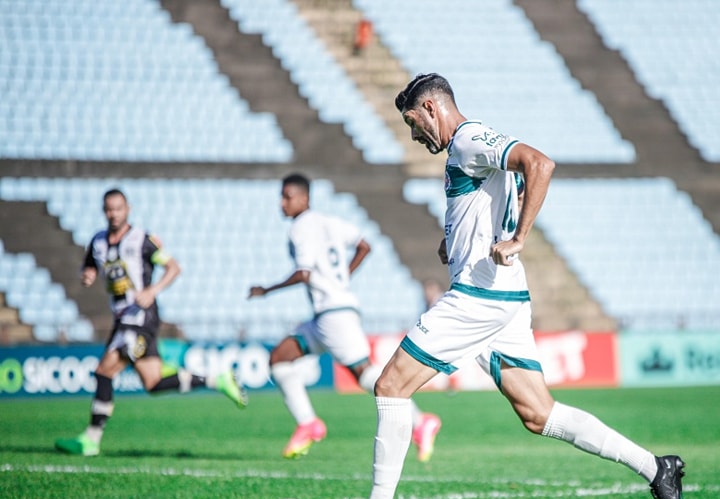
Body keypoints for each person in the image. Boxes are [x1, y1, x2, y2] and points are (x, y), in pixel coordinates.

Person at [321, 73, 686, 499]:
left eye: (413, 123)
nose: (414, 135)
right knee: (539, 414)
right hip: (504, 300)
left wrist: (520, 238)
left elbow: (539, 163)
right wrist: (452, 241)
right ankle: (657, 468)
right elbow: (490, 195)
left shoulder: (468, 138)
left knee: (390, 385)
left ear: (431, 108)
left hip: (479, 298)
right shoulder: (469, 148)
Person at [248, 173, 441, 460]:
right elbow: (365, 245)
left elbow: (304, 273)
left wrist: (267, 289)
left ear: (304, 198)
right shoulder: (332, 223)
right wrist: (342, 279)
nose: (282, 203)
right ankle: (308, 423)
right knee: (279, 359)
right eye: (282, 196)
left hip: (333, 314)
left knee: (368, 377)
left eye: (287, 196)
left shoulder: (300, 228)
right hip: (327, 314)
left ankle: (420, 420)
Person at [55, 189, 248, 457]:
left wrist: (153, 290)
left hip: (140, 318)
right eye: (109, 209)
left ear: (128, 209)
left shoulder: (143, 240)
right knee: (153, 382)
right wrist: (87, 275)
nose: (113, 214)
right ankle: (218, 380)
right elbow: (89, 267)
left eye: (118, 209)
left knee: (105, 371)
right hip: (121, 318)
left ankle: (91, 439)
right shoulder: (98, 242)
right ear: (104, 211)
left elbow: (174, 267)